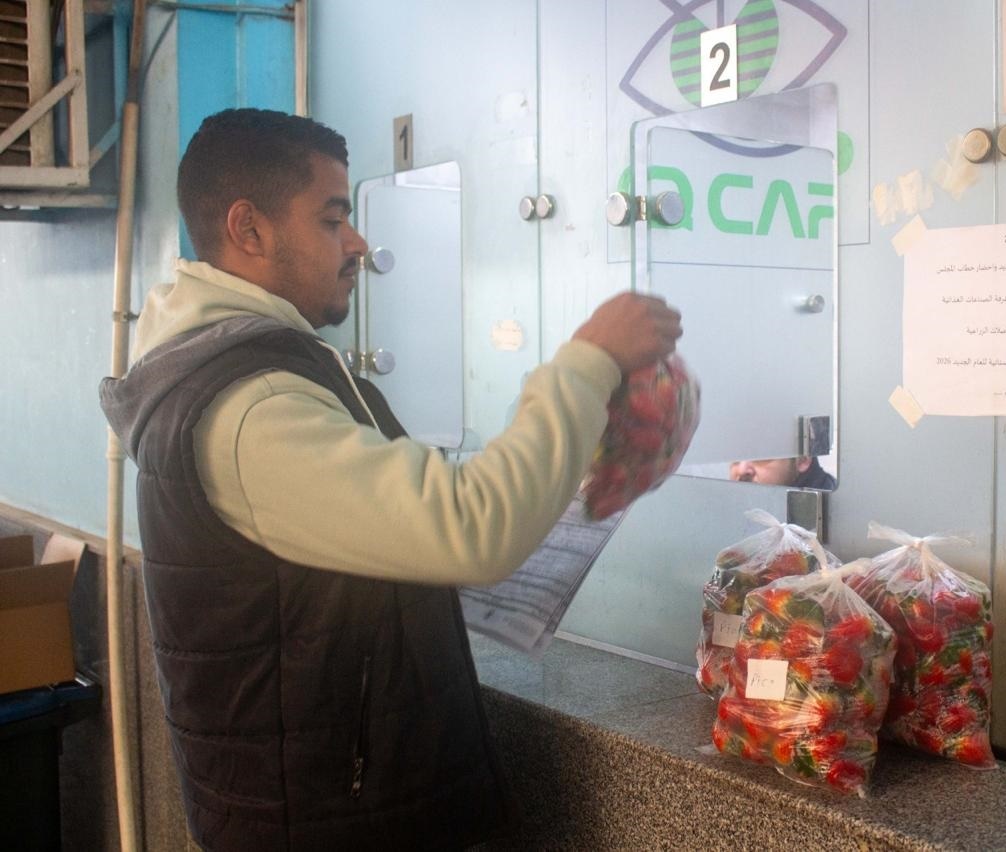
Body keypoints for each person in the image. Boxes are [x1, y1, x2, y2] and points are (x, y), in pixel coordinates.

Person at [99, 108, 681, 851]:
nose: (357, 242)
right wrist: (589, 360)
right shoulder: (252, 408)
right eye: (331, 218)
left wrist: (590, 459)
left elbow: (408, 522)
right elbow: (467, 528)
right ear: (249, 229)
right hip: (330, 825)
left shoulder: (262, 373)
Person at [728, 455, 836, 490]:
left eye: (760, 456)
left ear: (802, 460)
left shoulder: (834, 520)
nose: (741, 470)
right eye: (735, 455)